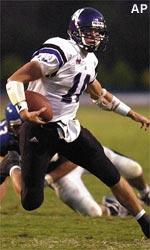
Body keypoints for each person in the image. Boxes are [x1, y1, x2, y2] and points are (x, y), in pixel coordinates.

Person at [5, 7, 150, 237]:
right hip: (39, 128)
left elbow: (100, 95)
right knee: (30, 202)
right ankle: (13, 163)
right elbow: (14, 80)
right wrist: (23, 111)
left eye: (98, 33)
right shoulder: (59, 51)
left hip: (69, 129)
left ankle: (145, 222)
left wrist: (132, 113)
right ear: (75, 31)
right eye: (90, 32)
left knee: (110, 174)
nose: (96, 37)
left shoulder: (90, 59)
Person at [1, 103, 150, 217]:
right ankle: (113, 207)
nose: (21, 131)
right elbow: (8, 172)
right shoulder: (5, 140)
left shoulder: (52, 122)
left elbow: (75, 156)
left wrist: (48, 178)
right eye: (16, 127)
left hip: (76, 157)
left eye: (24, 124)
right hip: (61, 178)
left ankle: (145, 193)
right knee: (93, 212)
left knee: (132, 168)